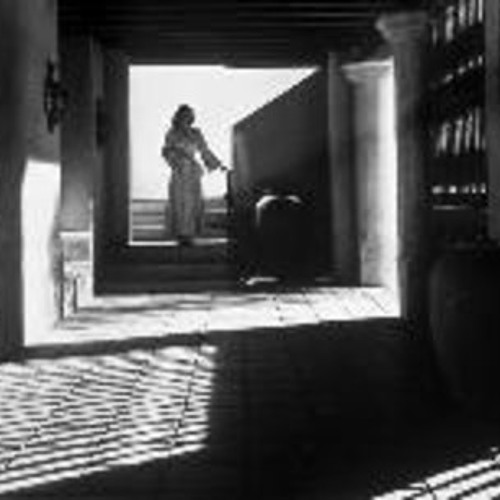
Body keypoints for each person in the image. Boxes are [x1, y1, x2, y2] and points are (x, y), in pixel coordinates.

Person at [161, 104, 227, 246]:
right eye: (184, 114)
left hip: (192, 172)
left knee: (191, 203)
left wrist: (219, 165)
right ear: (179, 116)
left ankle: (189, 235)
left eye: (190, 115)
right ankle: (181, 235)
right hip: (179, 172)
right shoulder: (172, 133)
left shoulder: (196, 133)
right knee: (180, 202)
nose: (187, 117)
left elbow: (205, 150)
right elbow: (166, 151)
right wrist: (176, 159)